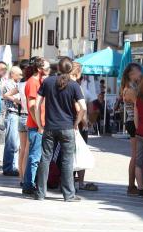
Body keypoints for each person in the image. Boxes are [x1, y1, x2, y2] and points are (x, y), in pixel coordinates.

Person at [33, 57, 86, 202]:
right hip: (67, 127)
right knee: (67, 161)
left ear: (58, 68)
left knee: (45, 159)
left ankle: (40, 193)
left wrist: (39, 124)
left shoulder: (47, 82)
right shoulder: (74, 85)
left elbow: (37, 104)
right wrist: (76, 122)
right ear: (70, 69)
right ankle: (69, 194)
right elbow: (83, 107)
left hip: (50, 127)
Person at [22, 57, 50, 195]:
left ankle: (30, 183)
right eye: (47, 68)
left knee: (36, 156)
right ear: (40, 69)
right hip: (36, 125)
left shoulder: (38, 81)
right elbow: (32, 107)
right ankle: (28, 184)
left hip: (39, 124)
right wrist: (39, 124)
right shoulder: (32, 83)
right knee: (34, 156)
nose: (49, 71)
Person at [70, 62, 97, 192]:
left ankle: (68, 180)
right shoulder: (80, 89)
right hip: (79, 125)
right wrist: (86, 121)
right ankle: (80, 182)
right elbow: (85, 107)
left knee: (69, 153)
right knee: (80, 152)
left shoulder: (63, 85)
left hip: (68, 123)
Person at [121, 62, 142, 196]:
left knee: (137, 155)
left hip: (132, 121)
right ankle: (131, 185)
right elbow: (137, 108)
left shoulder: (131, 87)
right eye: (138, 71)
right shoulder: (130, 89)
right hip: (133, 122)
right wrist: (138, 126)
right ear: (131, 74)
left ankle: (135, 184)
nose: (140, 73)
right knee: (135, 155)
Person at [1, 65, 22, 177]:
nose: (20, 76)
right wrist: (21, 101)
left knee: (15, 143)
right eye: (19, 74)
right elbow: (14, 99)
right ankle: (8, 167)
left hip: (16, 114)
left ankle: (12, 166)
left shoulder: (16, 84)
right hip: (12, 114)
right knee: (11, 143)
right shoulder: (9, 84)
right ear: (12, 74)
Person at [16, 60, 31, 184]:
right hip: (29, 116)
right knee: (27, 150)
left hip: (21, 115)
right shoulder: (30, 83)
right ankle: (26, 178)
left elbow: (6, 94)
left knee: (22, 149)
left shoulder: (20, 83)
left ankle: (21, 177)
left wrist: (20, 102)